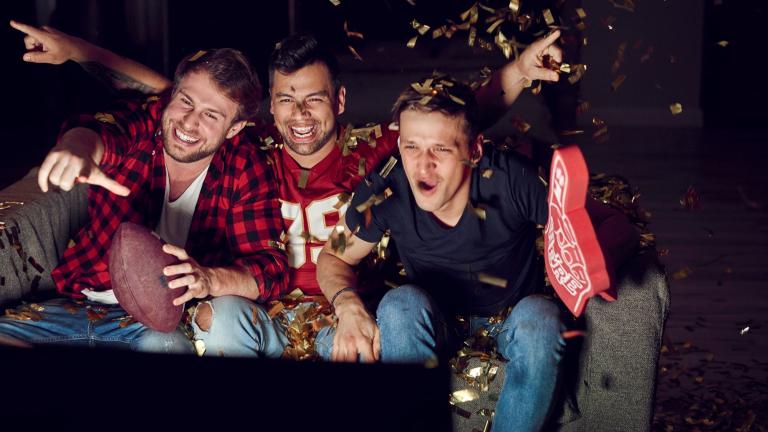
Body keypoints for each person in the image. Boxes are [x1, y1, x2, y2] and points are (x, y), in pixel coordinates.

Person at [8, 20, 564, 359]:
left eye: (314, 99)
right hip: (266, 316)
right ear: (268, 108)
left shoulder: (375, 153)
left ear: (339, 103)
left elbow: (456, 122)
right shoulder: (254, 152)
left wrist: (516, 72)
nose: (299, 115)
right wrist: (79, 53)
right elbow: (173, 98)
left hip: (344, 312)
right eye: (286, 100)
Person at [316, 78, 639, 430]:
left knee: (542, 318)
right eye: (411, 146)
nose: (422, 166)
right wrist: (347, 304)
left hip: (511, 315)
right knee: (398, 305)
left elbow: (615, 223)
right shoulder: (386, 187)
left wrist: (597, 262)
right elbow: (334, 258)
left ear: (474, 150)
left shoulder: (513, 178)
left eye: (440, 149)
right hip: (432, 318)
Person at [0, 46, 289, 355]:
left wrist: (207, 278)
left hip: (158, 325)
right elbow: (104, 128)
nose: (189, 123)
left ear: (234, 128)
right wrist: (77, 147)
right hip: (78, 303)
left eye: (210, 115)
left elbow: (271, 269)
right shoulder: (147, 120)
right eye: (185, 102)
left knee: (166, 345)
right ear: (172, 95)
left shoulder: (244, 166)